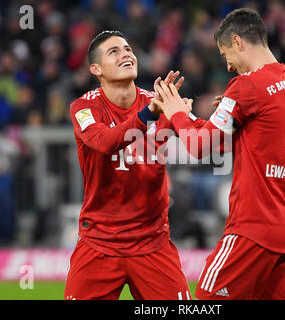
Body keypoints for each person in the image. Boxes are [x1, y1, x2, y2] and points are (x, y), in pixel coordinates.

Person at [153, 8, 285, 299]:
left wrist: (177, 113)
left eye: (225, 53)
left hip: (253, 229)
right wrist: (236, 116)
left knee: (204, 302)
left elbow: (199, 146)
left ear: (239, 42)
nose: (228, 65)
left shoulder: (247, 86)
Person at [64, 30, 200, 300]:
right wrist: (148, 114)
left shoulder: (160, 100)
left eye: (128, 49)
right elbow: (104, 141)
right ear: (96, 69)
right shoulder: (84, 107)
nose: (126, 53)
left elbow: (203, 141)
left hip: (152, 243)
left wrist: (230, 116)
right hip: (99, 244)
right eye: (113, 51)